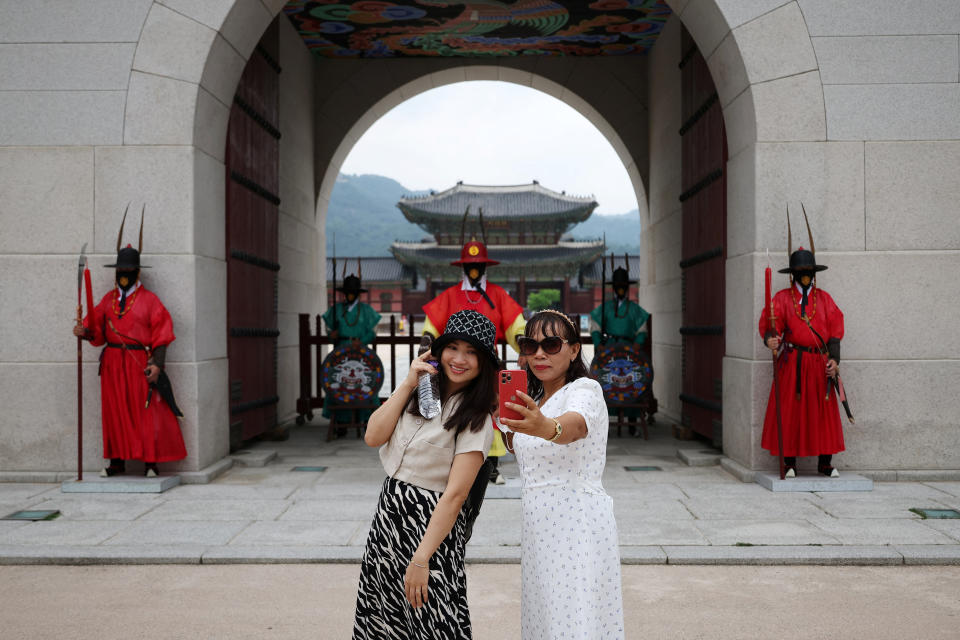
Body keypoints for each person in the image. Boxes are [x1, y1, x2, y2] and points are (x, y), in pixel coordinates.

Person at [353, 310, 498, 639]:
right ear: (438, 351)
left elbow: (456, 495)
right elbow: (373, 436)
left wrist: (421, 560)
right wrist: (408, 382)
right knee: (383, 621)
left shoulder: (476, 418)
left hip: (430, 530)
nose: (460, 359)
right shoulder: (418, 394)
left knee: (431, 622)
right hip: (389, 522)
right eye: (453, 348)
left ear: (484, 363)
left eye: (472, 352)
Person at [500, 309, 624, 639]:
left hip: (577, 524)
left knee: (574, 620)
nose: (539, 353)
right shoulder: (536, 397)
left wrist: (546, 426)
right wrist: (507, 422)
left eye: (551, 344)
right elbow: (519, 446)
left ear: (573, 349)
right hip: (539, 528)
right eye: (530, 345)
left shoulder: (584, 389)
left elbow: (576, 426)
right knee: (545, 618)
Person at [72, 214, 186, 478]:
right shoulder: (107, 300)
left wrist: (157, 364)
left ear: (137, 272)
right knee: (115, 412)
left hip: (139, 366)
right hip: (112, 365)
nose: (123, 275)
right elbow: (96, 330)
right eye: (120, 271)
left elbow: (162, 334)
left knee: (145, 413)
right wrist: (84, 331)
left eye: (128, 271)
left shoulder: (150, 300)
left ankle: (150, 463)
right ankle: (116, 461)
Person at [421, 226, 525, 493]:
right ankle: (451, 463)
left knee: (489, 412)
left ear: (485, 266)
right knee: (454, 410)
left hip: (486, 366)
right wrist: (428, 346)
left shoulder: (499, 295)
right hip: (455, 367)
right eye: (470, 265)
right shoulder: (450, 295)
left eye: (479, 265)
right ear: (463, 267)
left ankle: (491, 466)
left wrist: (524, 346)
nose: (474, 269)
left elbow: (516, 325)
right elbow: (431, 327)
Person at [760, 241, 845, 478]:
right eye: (801, 272)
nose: (806, 276)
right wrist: (770, 340)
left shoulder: (825, 299)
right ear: (793, 275)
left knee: (823, 412)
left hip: (819, 363)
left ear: (814, 274)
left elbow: (836, 330)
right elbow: (770, 324)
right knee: (791, 411)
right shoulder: (782, 298)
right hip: (793, 363)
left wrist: (834, 360)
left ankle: (825, 461)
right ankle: (789, 462)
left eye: (809, 272)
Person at [590, 259, 651, 434]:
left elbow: (641, 330)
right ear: (613, 287)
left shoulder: (634, 309)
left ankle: (633, 424)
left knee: (632, 384)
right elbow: (595, 327)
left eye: (623, 284)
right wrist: (598, 345)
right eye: (618, 285)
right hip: (609, 351)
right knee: (607, 383)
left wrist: (638, 345)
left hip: (630, 352)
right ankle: (605, 425)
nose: (620, 288)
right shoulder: (606, 308)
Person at [322, 264, 382, 433]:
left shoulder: (366, 310)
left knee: (364, 382)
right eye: (347, 291)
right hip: (341, 351)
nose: (350, 294)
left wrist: (362, 341)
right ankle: (340, 422)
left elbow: (373, 332)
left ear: (358, 293)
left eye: (353, 291)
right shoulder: (336, 309)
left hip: (361, 352)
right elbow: (328, 330)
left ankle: (365, 419)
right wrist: (331, 335)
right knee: (339, 382)